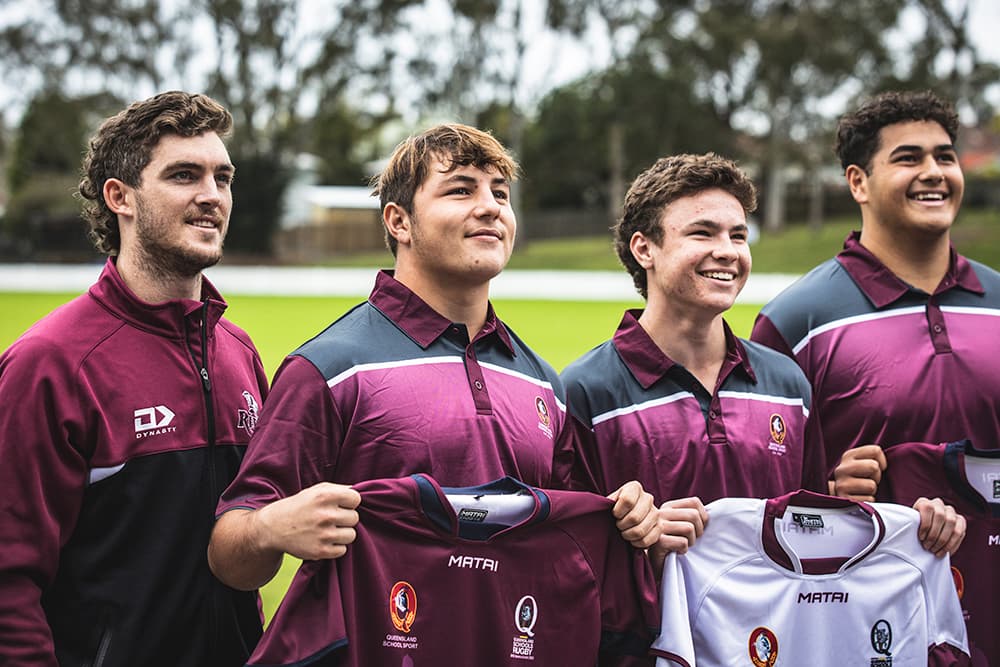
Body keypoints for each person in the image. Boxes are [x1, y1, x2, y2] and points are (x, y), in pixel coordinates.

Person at [207, 124, 659, 593]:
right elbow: (229, 555)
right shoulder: (329, 368)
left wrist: (627, 515)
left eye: (500, 194)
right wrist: (268, 529)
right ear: (399, 221)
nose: (490, 207)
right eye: (461, 190)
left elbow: (566, 538)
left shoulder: (543, 381)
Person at [0, 92, 267, 665]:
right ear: (119, 197)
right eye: (183, 175)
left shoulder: (238, 353)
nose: (211, 196)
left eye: (223, 178)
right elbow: (9, 580)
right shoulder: (51, 364)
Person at [749, 91, 988, 545]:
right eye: (908, 158)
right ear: (858, 182)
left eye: (945, 157)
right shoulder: (795, 321)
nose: (933, 172)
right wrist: (828, 489)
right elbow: (762, 484)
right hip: (864, 597)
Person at [561, 153, 826, 555]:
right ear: (644, 249)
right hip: (649, 621)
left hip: (778, 620)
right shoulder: (585, 390)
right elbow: (567, 557)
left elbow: (814, 535)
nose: (728, 251)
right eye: (703, 233)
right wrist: (640, 546)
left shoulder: (787, 384)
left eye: (738, 236)